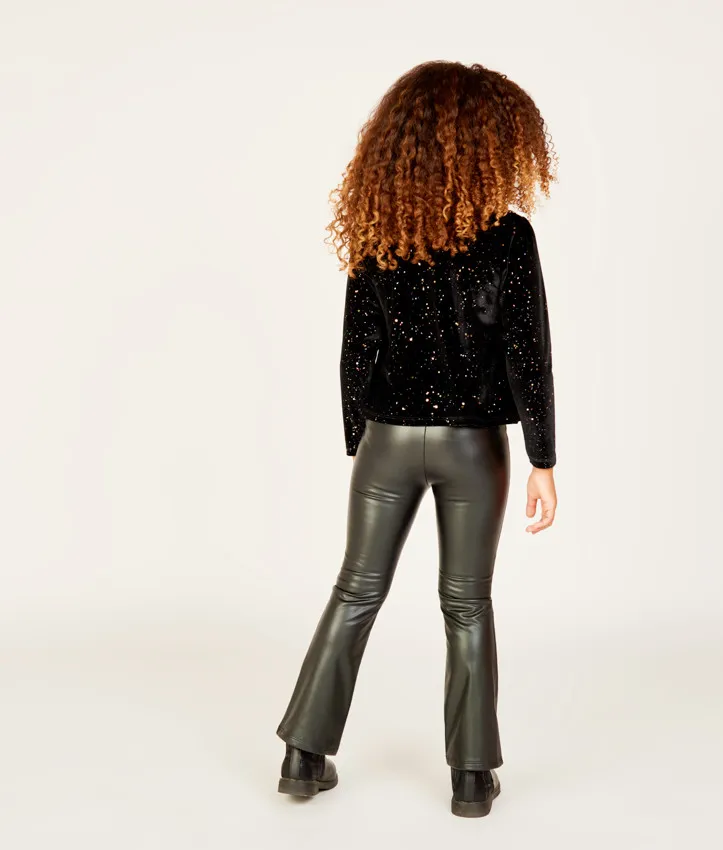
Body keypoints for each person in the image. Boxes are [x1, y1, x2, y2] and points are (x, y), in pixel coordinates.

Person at [275, 60, 558, 818]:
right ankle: (471, 776)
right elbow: (527, 354)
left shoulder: (381, 233)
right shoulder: (509, 238)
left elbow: (355, 350)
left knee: (355, 590)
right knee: (467, 604)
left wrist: (359, 440)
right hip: (474, 447)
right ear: (493, 144)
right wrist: (542, 459)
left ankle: (303, 756)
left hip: (388, 441)